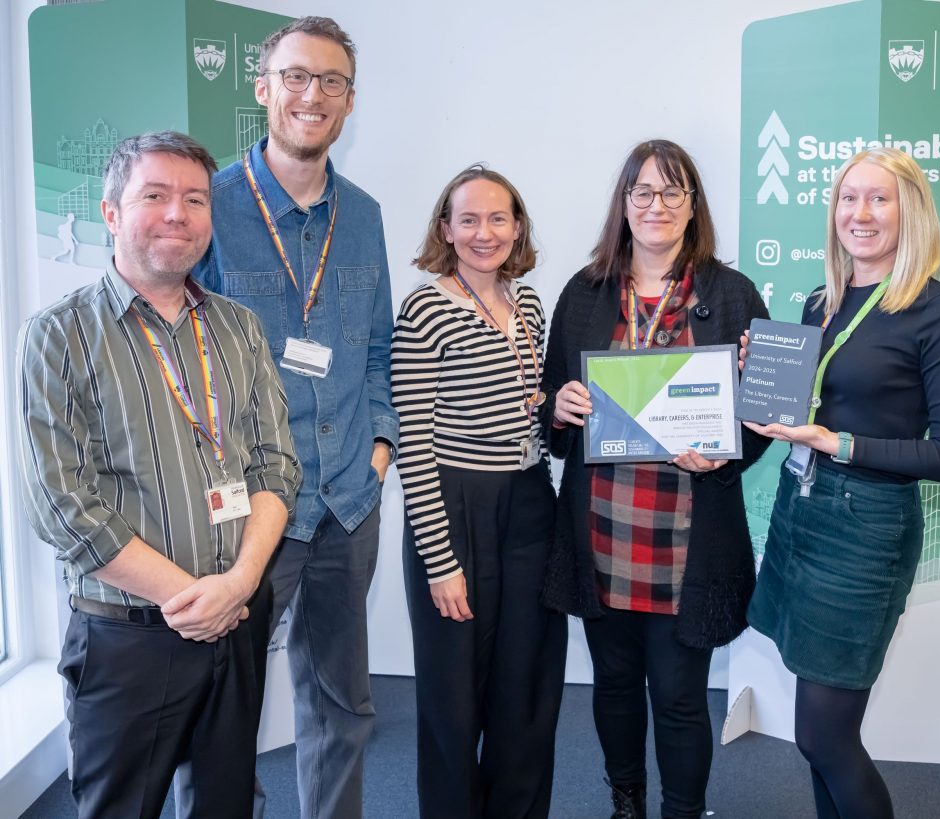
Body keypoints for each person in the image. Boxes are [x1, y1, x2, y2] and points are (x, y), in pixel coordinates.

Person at [17, 131, 300, 819]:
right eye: (155, 195)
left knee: (227, 800)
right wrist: (193, 598)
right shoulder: (58, 334)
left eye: (195, 199)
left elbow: (276, 464)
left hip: (238, 618)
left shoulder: (238, 327)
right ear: (111, 212)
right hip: (129, 637)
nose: (178, 212)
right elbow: (62, 504)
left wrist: (236, 586)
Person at [193, 16, 397, 818]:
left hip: (349, 500)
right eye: (297, 78)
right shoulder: (208, 206)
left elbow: (377, 346)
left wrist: (380, 450)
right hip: (246, 510)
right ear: (264, 88)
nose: (313, 96)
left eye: (332, 82)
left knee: (343, 706)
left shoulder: (367, 214)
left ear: (349, 101)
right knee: (221, 714)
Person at [744, 147, 940, 819]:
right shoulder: (821, 299)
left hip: (865, 528)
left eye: (879, 199)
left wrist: (838, 442)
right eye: (849, 199)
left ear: (911, 212)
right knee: (814, 737)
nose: (860, 213)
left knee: (825, 734)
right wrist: (755, 376)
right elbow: (799, 407)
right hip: (803, 508)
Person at [540, 139, 770, 819]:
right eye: (642, 191)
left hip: (685, 541)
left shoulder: (731, 294)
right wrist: (559, 408)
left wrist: (728, 452)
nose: (657, 205)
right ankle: (627, 801)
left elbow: (758, 417)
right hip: (602, 532)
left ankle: (681, 810)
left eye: (673, 191)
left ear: (693, 206)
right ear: (624, 203)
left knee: (677, 694)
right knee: (612, 684)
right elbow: (553, 410)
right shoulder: (583, 294)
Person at [392, 166, 567, 819]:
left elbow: (531, 406)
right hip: (455, 507)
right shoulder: (426, 306)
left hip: (529, 500)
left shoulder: (528, 303)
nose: (483, 232)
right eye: (468, 219)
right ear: (445, 228)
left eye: (498, 218)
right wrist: (440, 561)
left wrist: (564, 404)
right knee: (453, 698)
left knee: (526, 686)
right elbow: (413, 440)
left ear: (517, 226)